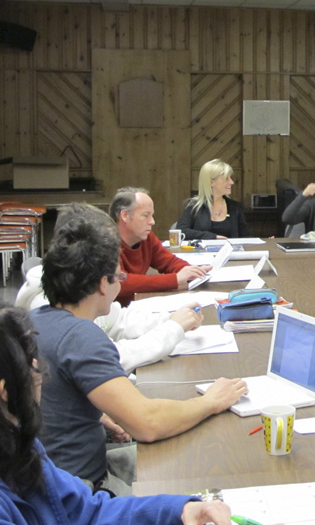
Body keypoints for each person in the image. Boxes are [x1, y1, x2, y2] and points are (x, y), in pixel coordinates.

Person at [31, 212, 247, 495]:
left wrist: (95, 416)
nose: (120, 283)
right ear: (102, 284)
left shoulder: (33, 321)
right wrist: (211, 401)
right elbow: (148, 423)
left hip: (44, 477)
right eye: (119, 276)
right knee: (198, 475)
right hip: (81, 491)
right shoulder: (81, 337)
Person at [0, 306, 233, 524]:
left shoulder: (21, 448)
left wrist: (179, 510)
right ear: (6, 391)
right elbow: (148, 423)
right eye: (30, 362)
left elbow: (88, 511)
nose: (37, 367)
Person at [16, 203, 203, 373]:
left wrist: (171, 318)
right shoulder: (51, 308)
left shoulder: (82, 286)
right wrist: (173, 329)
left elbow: (118, 320)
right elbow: (111, 359)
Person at [110, 187, 211, 306]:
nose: (152, 221)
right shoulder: (104, 241)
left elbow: (168, 262)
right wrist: (175, 279)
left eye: (151, 215)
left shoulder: (146, 237)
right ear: (125, 215)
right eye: (146, 215)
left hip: (134, 306)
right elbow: (119, 282)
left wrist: (191, 271)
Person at [177, 159, 250, 240]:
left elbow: (246, 237)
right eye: (226, 178)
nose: (232, 182)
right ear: (211, 182)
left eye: (230, 178)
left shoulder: (235, 207)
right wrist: (212, 237)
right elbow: (181, 231)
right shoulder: (193, 206)